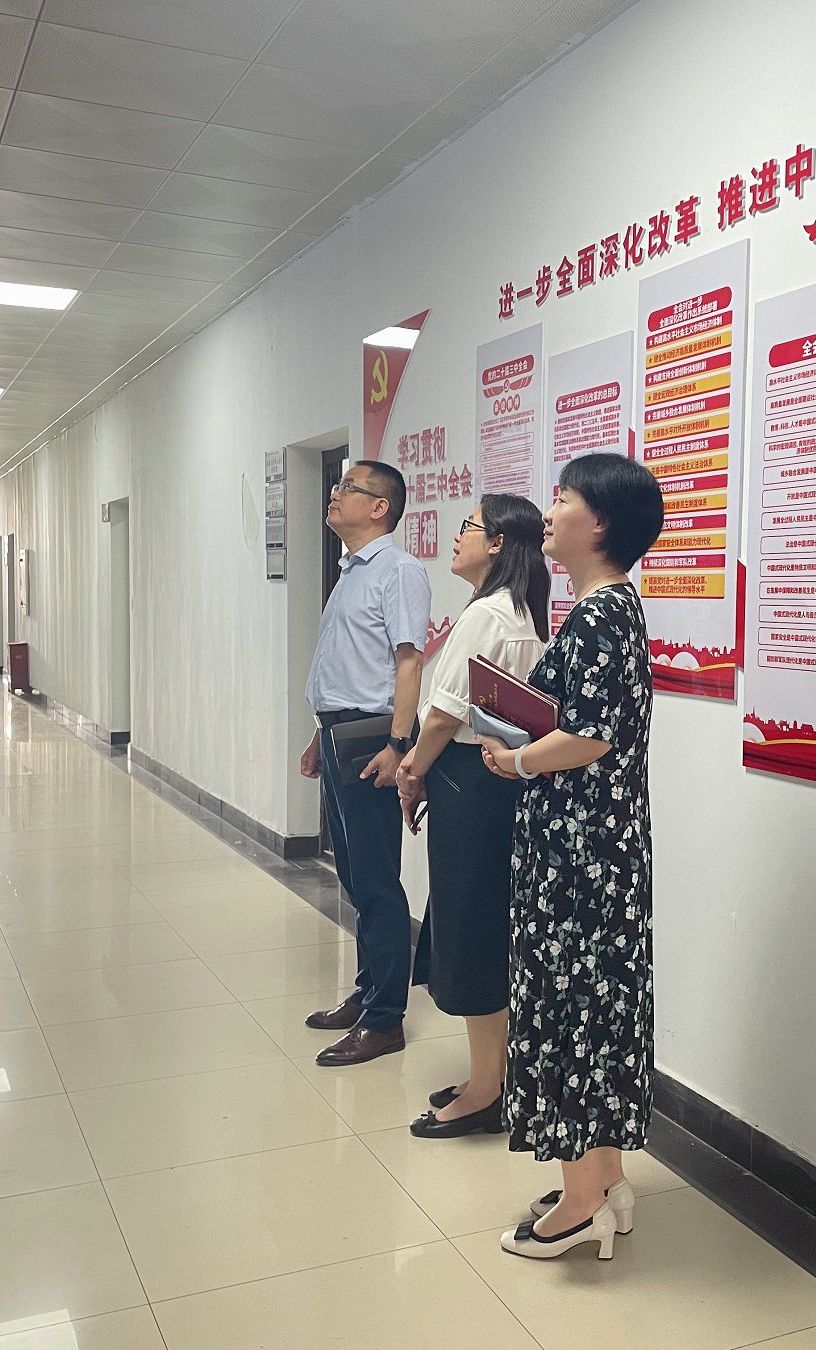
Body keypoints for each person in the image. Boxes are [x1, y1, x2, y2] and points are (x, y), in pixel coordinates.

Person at [475, 454, 664, 1262]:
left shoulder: (596, 616)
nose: (549, 513)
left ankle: (582, 1203)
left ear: (603, 523)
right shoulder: (615, 607)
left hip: (577, 855)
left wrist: (515, 758)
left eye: (564, 499)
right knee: (600, 1005)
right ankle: (606, 1179)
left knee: (571, 1009)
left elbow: (588, 736)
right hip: (602, 848)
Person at [395, 495, 549, 1138]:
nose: (458, 537)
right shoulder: (515, 612)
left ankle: (488, 1091)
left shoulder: (489, 614)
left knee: (472, 933)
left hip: (471, 783)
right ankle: (492, 1075)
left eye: (469, 527)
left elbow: (443, 716)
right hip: (490, 784)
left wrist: (412, 771)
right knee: (481, 927)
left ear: (499, 543)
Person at [299, 459, 430, 1067]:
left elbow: (409, 664)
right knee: (353, 875)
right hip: (339, 733)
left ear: (379, 507)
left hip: (373, 737)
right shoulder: (351, 570)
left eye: (347, 487)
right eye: (338, 485)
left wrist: (398, 746)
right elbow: (347, 663)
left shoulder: (398, 571)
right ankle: (367, 991)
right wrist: (319, 736)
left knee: (376, 879)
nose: (335, 494)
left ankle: (384, 1020)